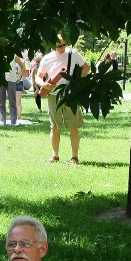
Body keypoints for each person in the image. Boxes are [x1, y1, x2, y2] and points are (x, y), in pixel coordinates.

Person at [36, 35, 90, 165]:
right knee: (54, 127)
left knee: (73, 127)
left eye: (64, 45)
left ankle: (74, 157)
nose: (62, 48)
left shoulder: (73, 54)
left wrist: (76, 82)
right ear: (52, 46)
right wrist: (44, 85)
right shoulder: (47, 58)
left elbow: (86, 68)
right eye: (59, 46)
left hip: (70, 95)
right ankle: (54, 155)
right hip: (53, 95)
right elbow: (38, 77)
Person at [0, 55, 25, 126]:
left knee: (12, 101)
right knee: (1, 101)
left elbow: (22, 66)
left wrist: (20, 76)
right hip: (0, 80)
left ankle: (13, 121)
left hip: (11, 80)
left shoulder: (14, 56)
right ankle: (3, 121)